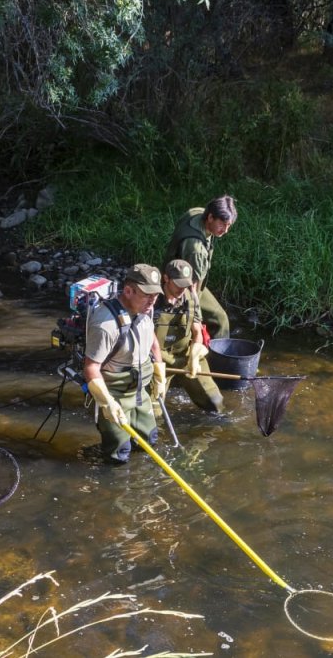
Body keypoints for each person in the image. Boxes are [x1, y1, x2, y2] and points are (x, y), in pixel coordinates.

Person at [83, 263, 166, 464]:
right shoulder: (106, 325)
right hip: (115, 394)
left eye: (155, 295)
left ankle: (142, 480)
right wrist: (107, 402)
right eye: (147, 294)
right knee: (118, 454)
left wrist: (159, 370)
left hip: (139, 391)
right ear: (128, 291)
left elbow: (151, 337)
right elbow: (90, 367)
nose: (152, 300)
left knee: (149, 440)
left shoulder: (146, 309)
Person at [163, 195, 238, 340]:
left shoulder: (196, 213)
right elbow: (193, 288)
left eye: (229, 225)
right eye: (222, 224)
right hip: (179, 286)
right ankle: (217, 359)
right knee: (220, 319)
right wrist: (196, 318)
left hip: (172, 273)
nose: (226, 230)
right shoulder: (195, 249)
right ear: (210, 217)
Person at [154, 259, 223, 413]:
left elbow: (197, 331)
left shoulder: (190, 297)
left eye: (185, 284)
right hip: (157, 361)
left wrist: (195, 353)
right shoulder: (152, 300)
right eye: (178, 284)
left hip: (185, 356)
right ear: (166, 278)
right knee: (154, 414)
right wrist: (158, 367)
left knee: (215, 402)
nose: (181, 289)